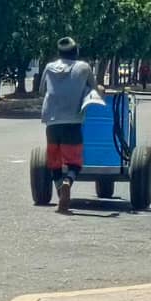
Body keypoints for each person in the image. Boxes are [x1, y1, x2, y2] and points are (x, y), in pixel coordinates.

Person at [40, 37, 98, 214]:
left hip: (52, 122)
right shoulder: (84, 67)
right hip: (73, 121)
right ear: (76, 52)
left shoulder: (49, 68)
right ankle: (68, 182)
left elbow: (42, 90)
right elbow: (94, 89)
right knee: (74, 163)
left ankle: (60, 193)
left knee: (54, 163)